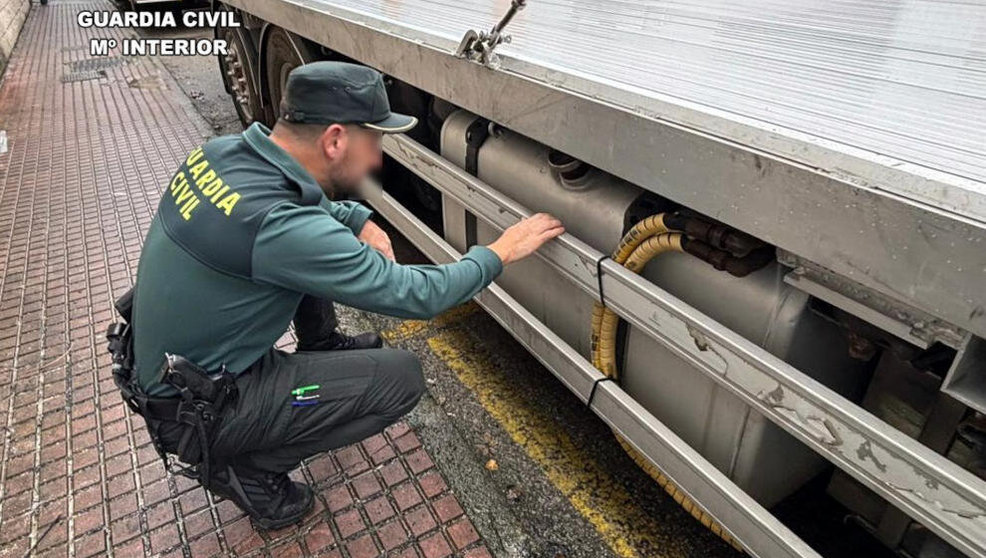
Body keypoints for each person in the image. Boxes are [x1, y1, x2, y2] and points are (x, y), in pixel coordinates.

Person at [124, 61, 564, 528]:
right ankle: (248, 469)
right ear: (335, 140)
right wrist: (500, 251)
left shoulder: (221, 154)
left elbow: (303, 207)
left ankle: (321, 346)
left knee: (309, 258)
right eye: (373, 142)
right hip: (199, 410)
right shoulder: (284, 229)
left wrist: (356, 219)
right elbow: (420, 295)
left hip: (165, 372)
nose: (376, 160)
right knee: (399, 379)